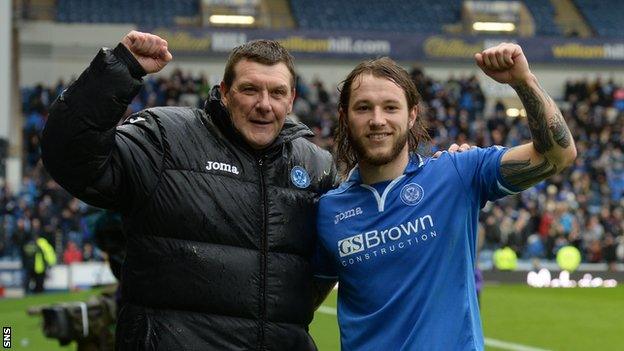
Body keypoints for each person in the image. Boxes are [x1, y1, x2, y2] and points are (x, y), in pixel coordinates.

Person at [41, 31, 338, 350]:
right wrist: (120, 68)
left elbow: (334, 261)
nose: (264, 104)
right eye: (250, 89)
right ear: (225, 92)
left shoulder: (316, 167)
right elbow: (72, 158)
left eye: (277, 92)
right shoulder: (165, 139)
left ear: (291, 99)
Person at [314, 43, 576, 350]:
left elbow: (557, 155)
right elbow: (303, 303)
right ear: (345, 118)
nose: (377, 119)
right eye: (363, 108)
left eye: (390, 107)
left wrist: (524, 81)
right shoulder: (329, 211)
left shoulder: (456, 174)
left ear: (412, 115)